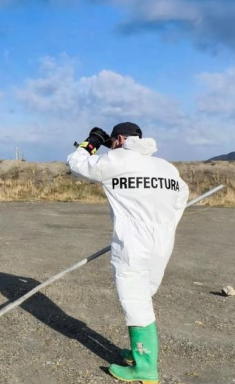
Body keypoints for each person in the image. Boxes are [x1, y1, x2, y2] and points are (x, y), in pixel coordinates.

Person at [67, 122, 189, 383]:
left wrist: (90, 142)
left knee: (135, 301)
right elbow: (181, 198)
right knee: (144, 296)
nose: (111, 145)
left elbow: (77, 165)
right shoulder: (167, 167)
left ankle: (145, 369)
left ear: (120, 139)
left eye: (112, 141)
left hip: (133, 244)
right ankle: (138, 353)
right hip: (163, 243)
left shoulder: (116, 158)